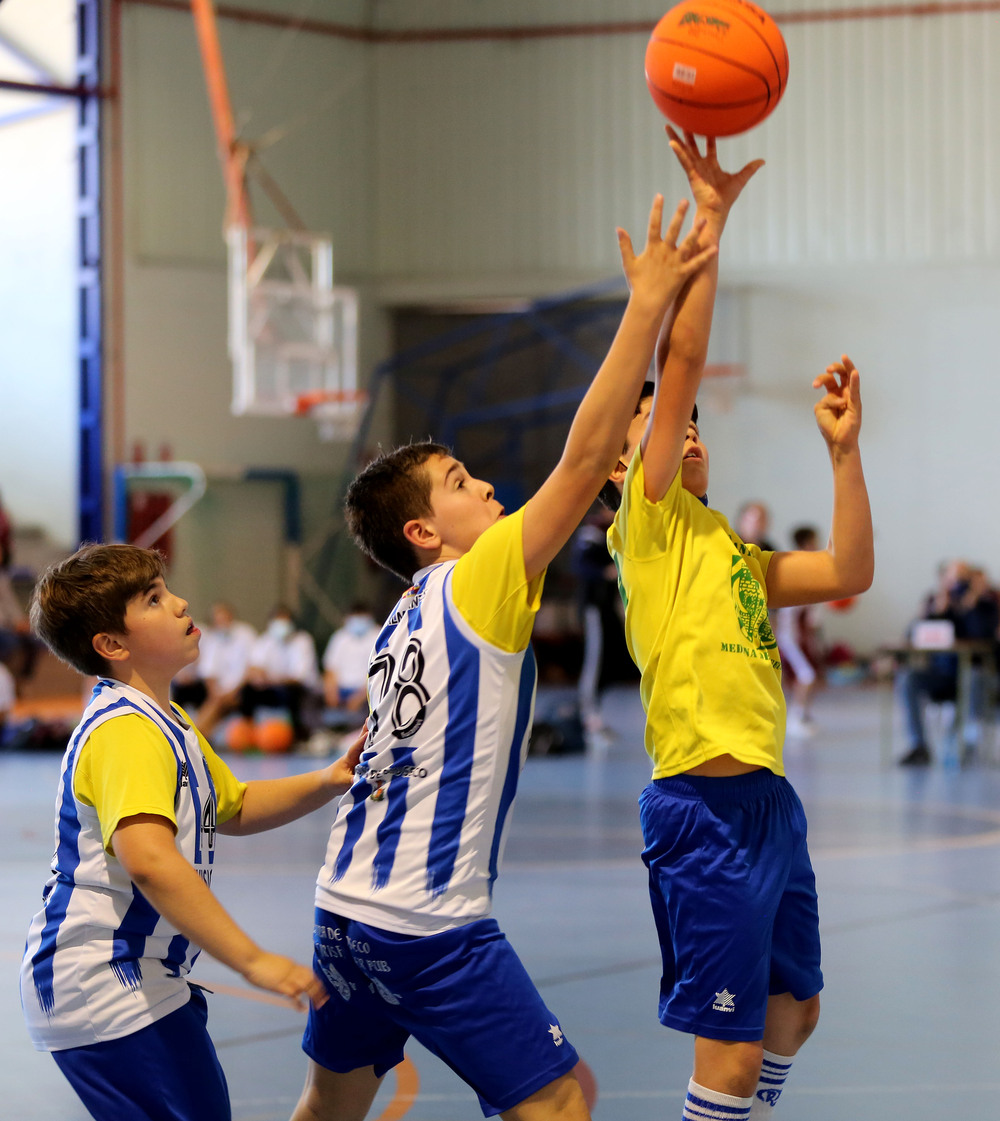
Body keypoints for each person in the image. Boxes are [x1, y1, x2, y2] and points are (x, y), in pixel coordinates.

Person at [289, 184, 721, 1121]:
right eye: (457, 481)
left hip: (341, 907)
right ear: (422, 530)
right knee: (561, 1097)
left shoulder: (403, 615)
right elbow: (582, 459)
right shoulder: (479, 577)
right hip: (424, 922)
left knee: (330, 1102)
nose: (482, 483)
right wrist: (646, 304)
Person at [602, 129, 874, 1121]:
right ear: (625, 472)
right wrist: (710, 224)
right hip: (702, 815)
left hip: (769, 805)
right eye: (665, 426)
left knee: (793, 1008)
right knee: (728, 1047)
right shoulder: (650, 525)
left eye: (692, 424)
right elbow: (679, 360)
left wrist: (843, 455)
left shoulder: (734, 553)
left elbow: (849, 570)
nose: (687, 429)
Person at [19, 543, 363, 1121]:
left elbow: (235, 805)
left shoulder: (170, 721)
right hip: (103, 977)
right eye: (154, 599)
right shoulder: (125, 731)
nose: (180, 603)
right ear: (112, 644)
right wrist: (251, 959)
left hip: (141, 975)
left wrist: (330, 779)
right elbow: (150, 861)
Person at [896, 560, 999, 766]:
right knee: (908, 678)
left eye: (963, 578)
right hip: (944, 675)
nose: (958, 584)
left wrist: (971, 606)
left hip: (976, 675)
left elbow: (984, 638)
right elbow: (916, 635)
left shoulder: (986, 606)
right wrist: (936, 611)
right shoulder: (935, 602)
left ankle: (967, 742)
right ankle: (919, 746)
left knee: (974, 676)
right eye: (953, 578)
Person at [240, 604, 320, 741]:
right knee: (248, 690)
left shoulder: (302, 640)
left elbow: (298, 678)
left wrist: (270, 679)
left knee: (292, 692)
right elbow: (254, 667)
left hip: (299, 690)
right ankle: (248, 734)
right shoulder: (266, 640)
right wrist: (258, 677)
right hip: (273, 687)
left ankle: (299, 736)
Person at [774, 525, 824, 739]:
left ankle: (802, 715)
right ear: (806, 544)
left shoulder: (813, 568)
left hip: (799, 634)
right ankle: (795, 717)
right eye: (815, 541)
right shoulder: (795, 567)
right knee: (806, 675)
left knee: (808, 675)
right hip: (787, 636)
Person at [193, 600, 258, 738]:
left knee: (217, 704)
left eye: (224, 617)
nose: (221, 622)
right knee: (215, 702)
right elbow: (208, 672)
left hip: (242, 689)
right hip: (219, 694)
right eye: (217, 619)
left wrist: (233, 692)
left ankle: (197, 733)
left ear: (231, 616)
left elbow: (251, 668)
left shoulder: (245, 634)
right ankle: (201, 733)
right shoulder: (212, 638)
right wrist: (215, 693)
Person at [321, 602, 380, 714]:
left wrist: (360, 696)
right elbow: (330, 669)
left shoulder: (379, 636)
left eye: (361, 617)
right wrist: (331, 692)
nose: (358, 621)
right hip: (341, 690)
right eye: (355, 616)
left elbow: (379, 673)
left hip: (368, 692)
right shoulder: (340, 637)